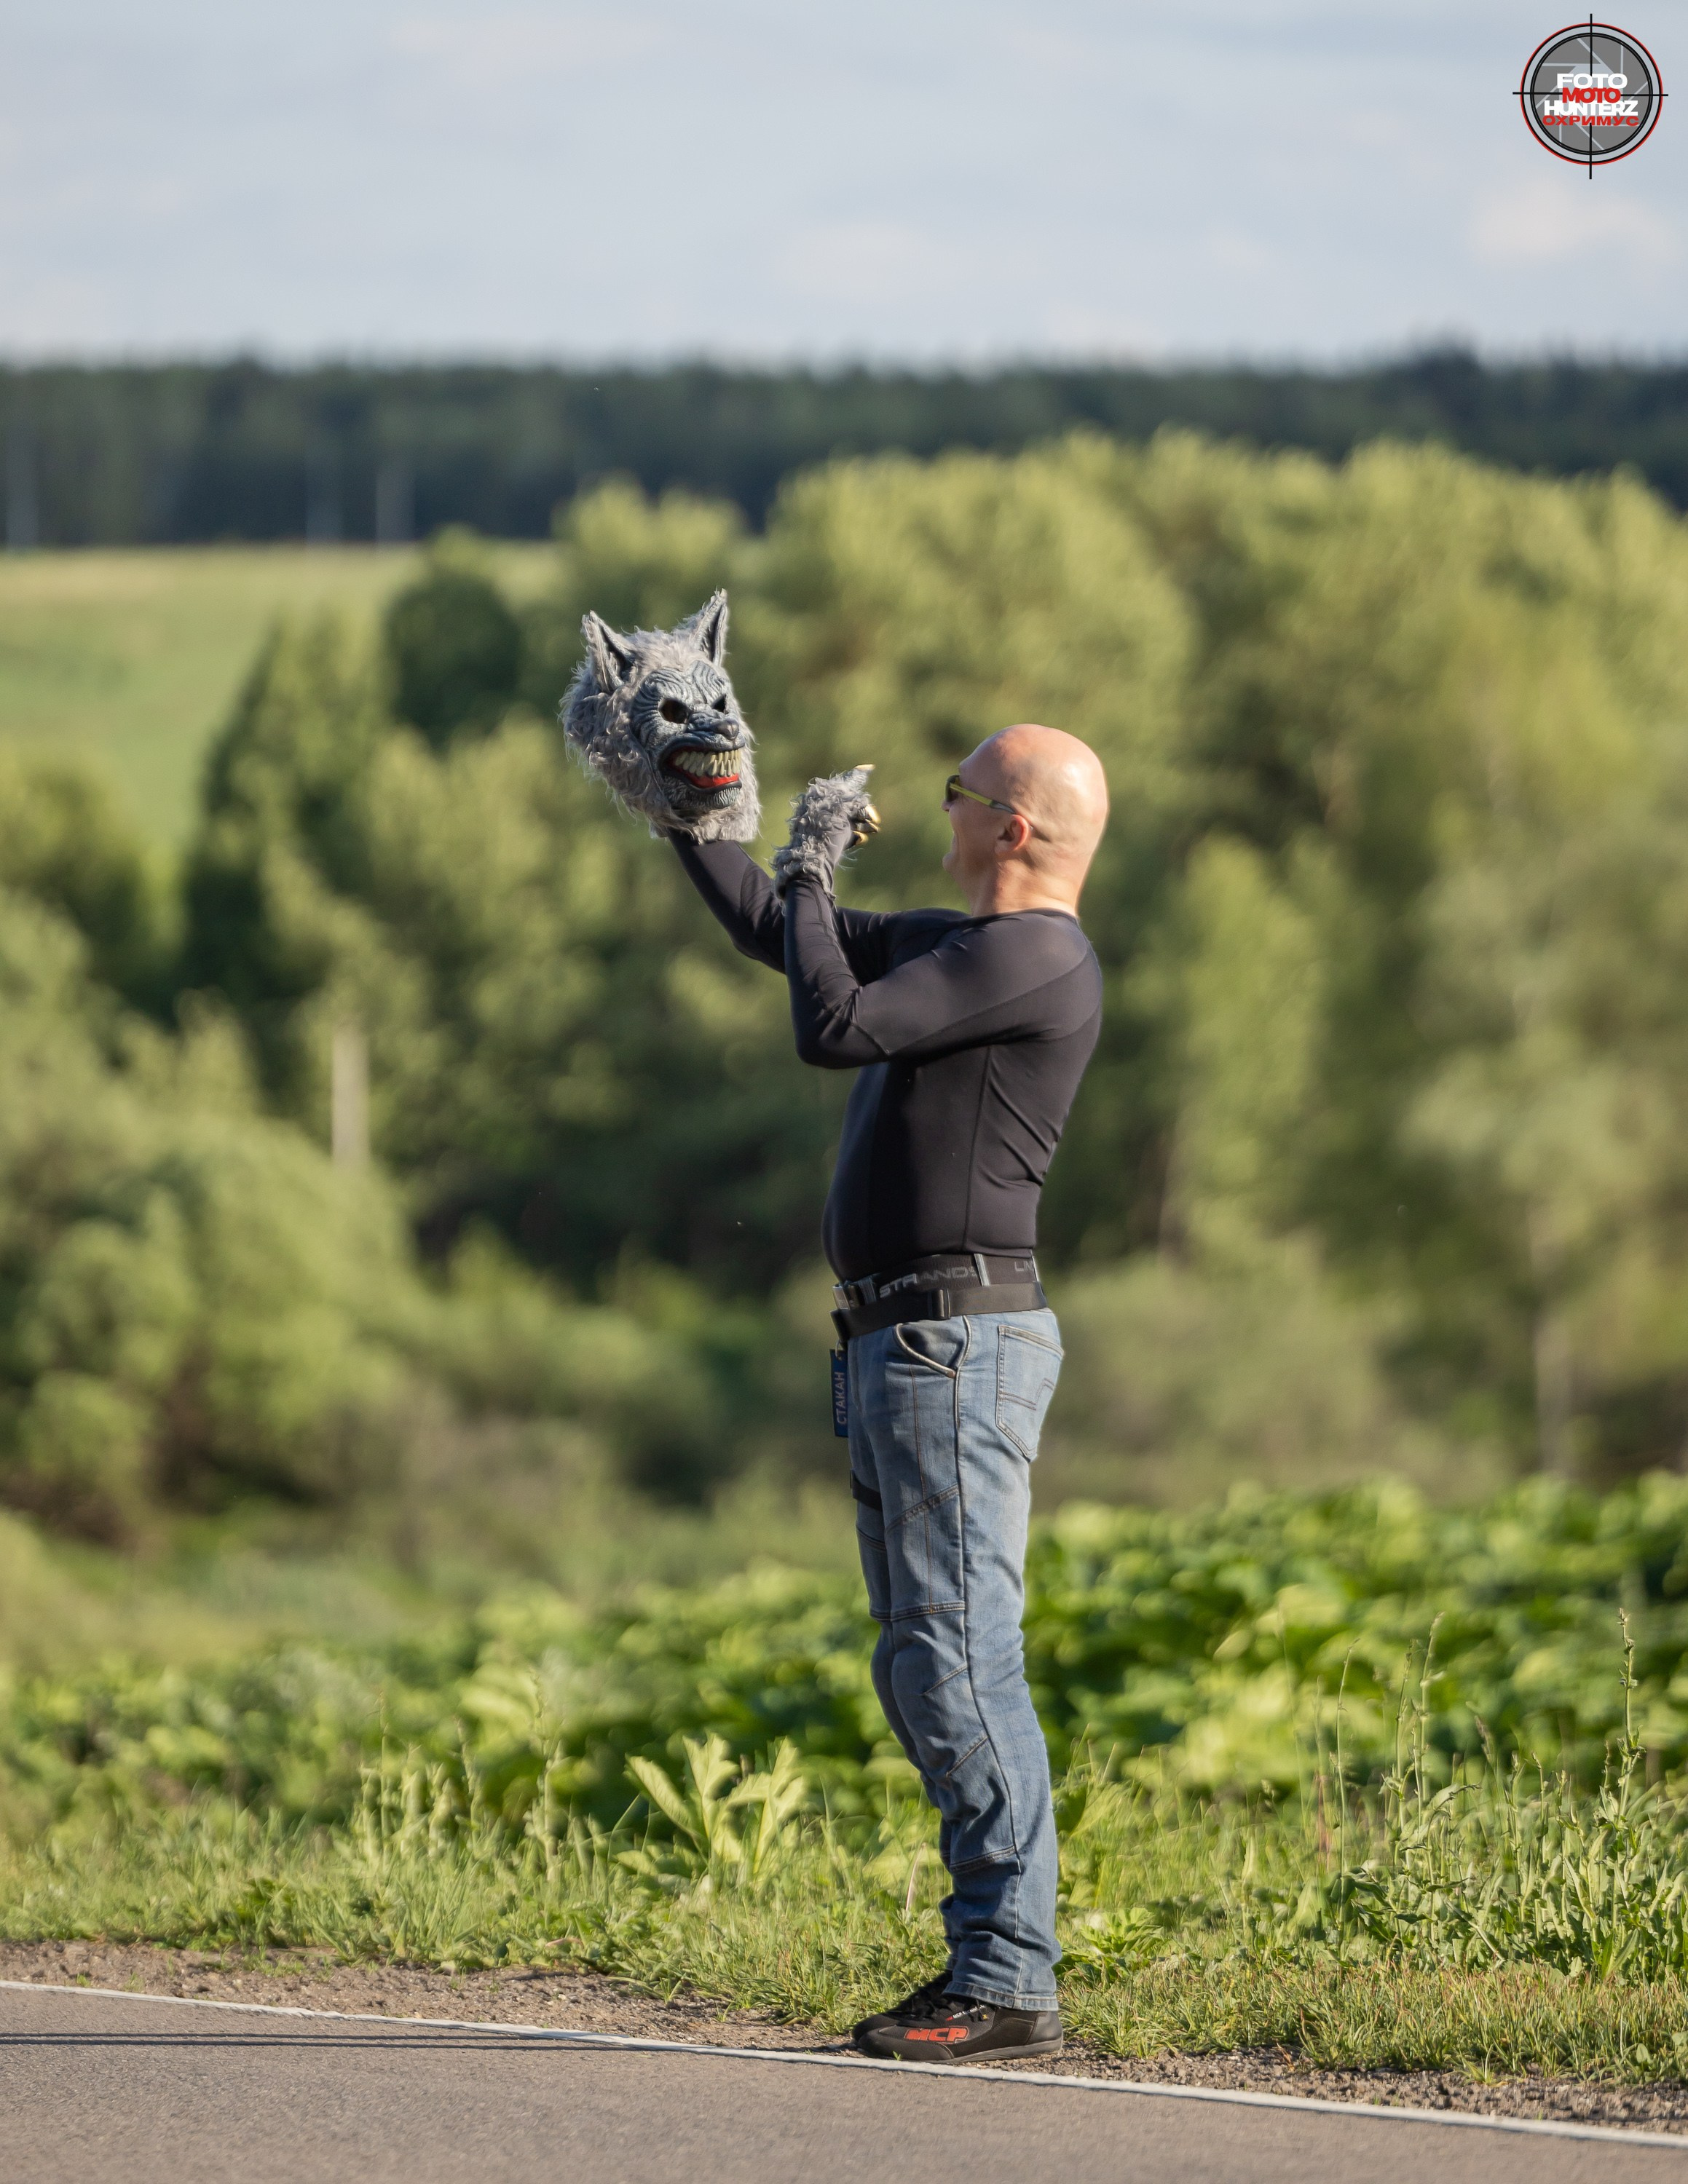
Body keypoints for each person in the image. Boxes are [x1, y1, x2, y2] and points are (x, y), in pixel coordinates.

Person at [671, 721, 1109, 2064]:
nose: (940, 810)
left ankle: (1007, 1978)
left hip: (953, 1350)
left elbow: (832, 1027)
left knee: (959, 1658)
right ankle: (993, 1964)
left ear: (1010, 828)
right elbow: (782, 935)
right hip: (907, 1346)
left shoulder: (1032, 958)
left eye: (956, 791)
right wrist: (687, 808)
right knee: (926, 1659)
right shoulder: (967, 949)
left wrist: (808, 863)